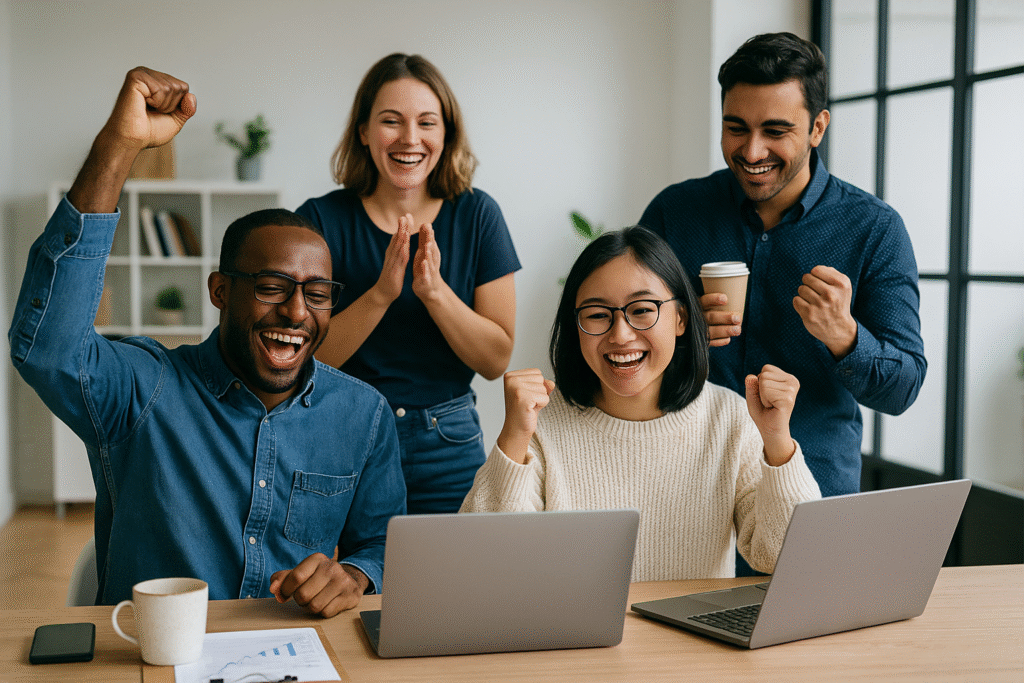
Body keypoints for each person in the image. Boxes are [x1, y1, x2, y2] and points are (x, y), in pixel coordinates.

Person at [9, 67, 406, 616]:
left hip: (292, 651)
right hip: (153, 653)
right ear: (220, 291)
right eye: (271, 287)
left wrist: (356, 574)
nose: (296, 312)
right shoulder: (145, 389)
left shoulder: (364, 414)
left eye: (316, 294)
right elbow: (48, 350)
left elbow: (380, 544)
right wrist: (118, 146)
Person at [639, 32, 926, 499]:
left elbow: (903, 388)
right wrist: (676, 328)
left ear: (817, 128)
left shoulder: (874, 229)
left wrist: (845, 336)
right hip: (686, 483)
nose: (752, 152)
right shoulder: (674, 213)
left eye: (775, 132)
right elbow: (621, 342)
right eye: (736, 128)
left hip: (814, 485)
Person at [460, 227, 820, 580]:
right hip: (577, 623)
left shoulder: (729, 418)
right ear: (575, 327)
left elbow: (787, 556)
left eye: (643, 309)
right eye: (597, 315)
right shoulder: (540, 424)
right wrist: (513, 438)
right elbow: (484, 566)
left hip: (694, 623)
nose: (620, 335)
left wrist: (778, 441)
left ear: (681, 318)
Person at [296, 53, 520, 515]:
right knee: (351, 566)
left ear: (446, 134)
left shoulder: (478, 215)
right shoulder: (320, 220)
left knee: (452, 564)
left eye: (427, 122)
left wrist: (434, 293)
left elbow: (495, 359)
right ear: (363, 131)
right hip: (345, 433)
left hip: (449, 444)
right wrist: (381, 294)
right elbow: (304, 358)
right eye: (391, 121)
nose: (410, 139)